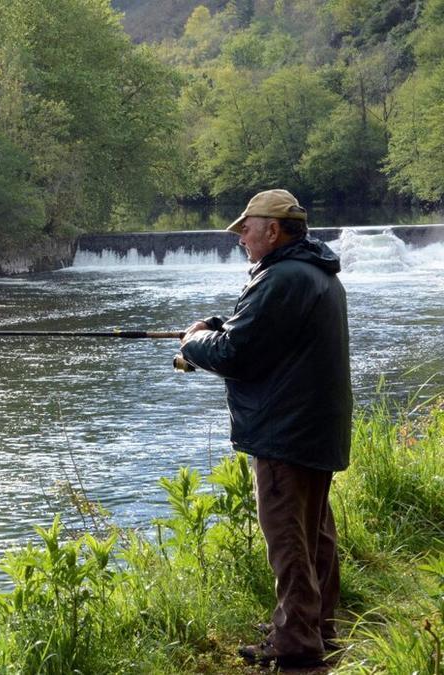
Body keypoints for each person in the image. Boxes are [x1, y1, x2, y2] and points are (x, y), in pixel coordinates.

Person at [178, 189, 352, 670]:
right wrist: (216, 328)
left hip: (285, 431)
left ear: (272, 230)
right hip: (315, 427)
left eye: (246, 229)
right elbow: (258, 336)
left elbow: (237, 354)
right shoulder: (311, 272)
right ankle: (315, 624)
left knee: (288, 537)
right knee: (314, 531)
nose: (241, 239)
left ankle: (296, 643)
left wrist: (194, 343)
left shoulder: (283, 278)